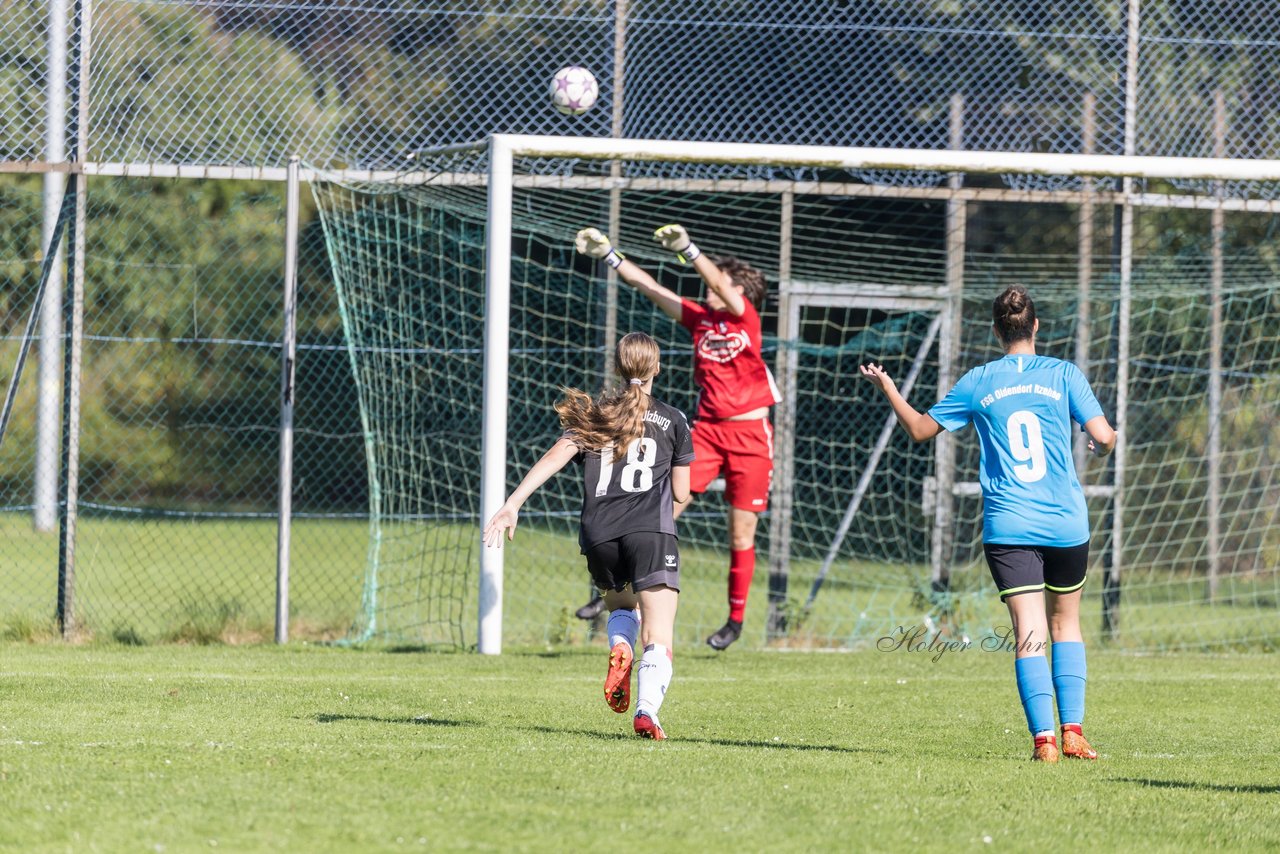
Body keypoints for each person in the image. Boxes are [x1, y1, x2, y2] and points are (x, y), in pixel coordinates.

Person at [859, 285, 1116, 763]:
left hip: (1010, 524)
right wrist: (1107, 440)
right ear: (1035, 326)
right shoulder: (1064, 374)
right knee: (1067, 625)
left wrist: (889, 387)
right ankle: (1075, 731)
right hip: (1065, 523)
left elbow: (919, 430)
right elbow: (1102, 437)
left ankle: (1044, 742)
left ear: (997, 331)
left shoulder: (979, 380)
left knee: (1029, 634)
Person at [573, 224, 780, 651]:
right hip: (708, 431)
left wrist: (688, 249)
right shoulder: (700, 320)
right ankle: (612, 588)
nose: (709, 287)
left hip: (752, 435)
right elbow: (647, 285)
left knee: (741, 534)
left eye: (721, 283)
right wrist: (610, 254)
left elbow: (719, 281)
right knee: (661, 507)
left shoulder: (747, 318)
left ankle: (735, 621)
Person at [483, 332, 694, 740]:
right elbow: (683, 492)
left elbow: (555, 456)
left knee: (621, 607)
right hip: (651, 533)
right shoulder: (674, 419)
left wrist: (513, 503)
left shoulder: (597, 415)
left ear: (618, 367)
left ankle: (621, 645)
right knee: (659, 633)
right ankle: (647, 711)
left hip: (599, 536)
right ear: (657, 367)